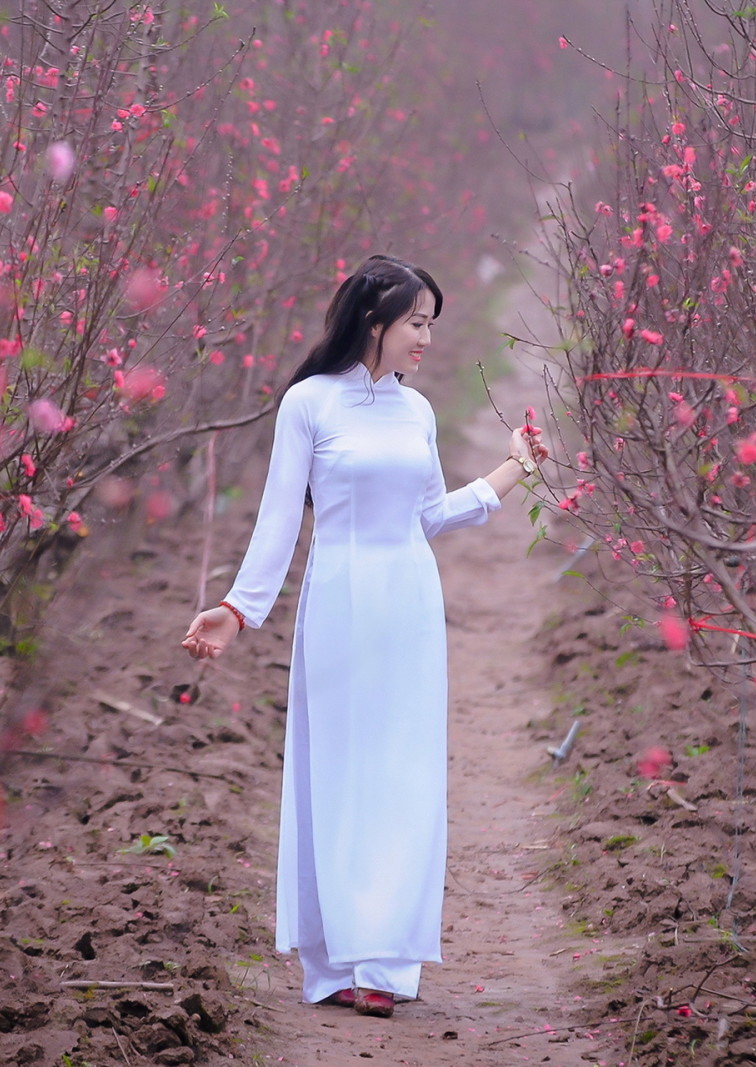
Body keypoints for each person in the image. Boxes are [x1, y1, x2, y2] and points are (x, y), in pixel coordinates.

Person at [181, 254, 547, 1018]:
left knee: (405, 775)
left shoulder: (414, 412)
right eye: (416, 322)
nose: (425, 338)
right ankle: (336, 957)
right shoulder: (309, 404)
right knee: (341, 773)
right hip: (341, 603)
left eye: (431, 326)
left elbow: (427, 516)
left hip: (410, 604)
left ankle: (384, 960)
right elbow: (281, 519)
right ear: (373, 321)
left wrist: (513, 471)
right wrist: (238, 609)